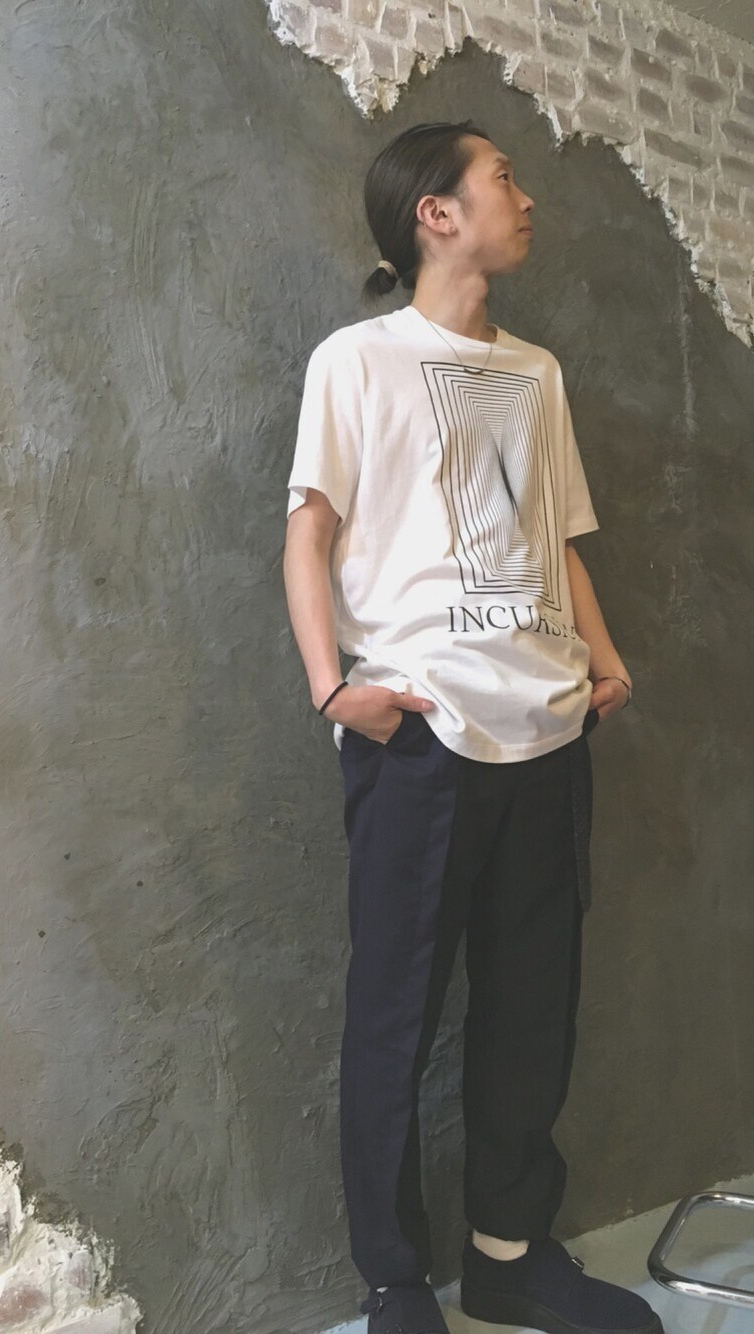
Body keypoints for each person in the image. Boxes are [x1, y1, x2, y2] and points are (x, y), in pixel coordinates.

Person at [282, 121, 661, 1334]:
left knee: (531, 1005)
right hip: (420, 737)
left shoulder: (536, 372)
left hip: (547, 732)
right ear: (434, 214)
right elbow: (308, 532)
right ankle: (395, 1279)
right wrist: (333, 688)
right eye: (503, 178)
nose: (525, 196)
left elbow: (553, 538)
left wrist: (602, 656)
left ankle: (509, 1253)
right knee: (393, 1012)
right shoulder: (356, 360)